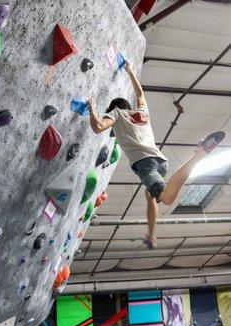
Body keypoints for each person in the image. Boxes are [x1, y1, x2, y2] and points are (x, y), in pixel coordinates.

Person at [88, 61, 225, 249]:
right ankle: (152, 235)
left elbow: (98, 126)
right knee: (150, 194)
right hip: (159, 161)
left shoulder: (117, 114)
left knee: (167, 198)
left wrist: (92, 108)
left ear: (114, 109)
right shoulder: (142, 112)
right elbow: (140, 94)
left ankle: (198, 155)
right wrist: (129, 71)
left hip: (147, 164)